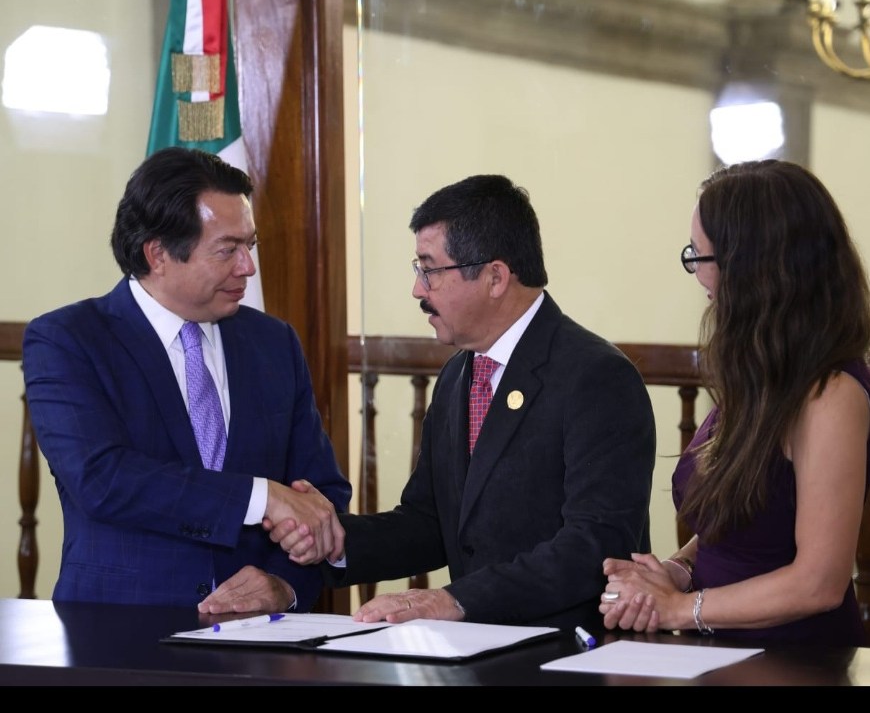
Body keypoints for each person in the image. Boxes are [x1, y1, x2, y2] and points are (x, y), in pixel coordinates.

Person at [270, 174, 656, 629]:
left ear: (495, 277)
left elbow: (595, 547)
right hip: (479, 647)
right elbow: (431, 523)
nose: (418, 290)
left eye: (430, 270)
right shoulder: (457, 374)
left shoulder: (596, 377)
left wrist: (453, 601)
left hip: (570, 649)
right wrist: (332, 541)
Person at [23, 147, 351, 615]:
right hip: (116, 630)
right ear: (158, 254)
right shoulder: (68, 340)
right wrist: (261, 497)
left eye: (250, 245)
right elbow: (102, 479)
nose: (248, 267)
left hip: (259, 634)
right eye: (228, 250)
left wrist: (284, 584)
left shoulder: (273, 342)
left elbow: (320, 494)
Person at [599, 159, 870, 646]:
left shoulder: (832, 393)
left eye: (699, 256)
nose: (697, 275)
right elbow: (743, 526)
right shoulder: (763, 373)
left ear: (752, 265)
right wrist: (677, 570)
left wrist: (679, 608)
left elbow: (820, 582)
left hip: (799, 658)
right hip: (720, 646)